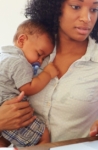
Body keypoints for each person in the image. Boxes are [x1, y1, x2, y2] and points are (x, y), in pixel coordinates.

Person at [0, 0, 98, 146]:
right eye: (76, 7)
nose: (87, 18)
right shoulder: (31, 51)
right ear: (55, 6)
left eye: (94, 9)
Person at [0, 19, 59, 147]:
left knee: (5, 140)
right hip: (8, 106)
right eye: (39, 54)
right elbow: (28, 88)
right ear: (21, 40)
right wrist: (47, 74)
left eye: (43, 58)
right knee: (43, 135)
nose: (39, 61)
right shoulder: (19, 62)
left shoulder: (3, 54)